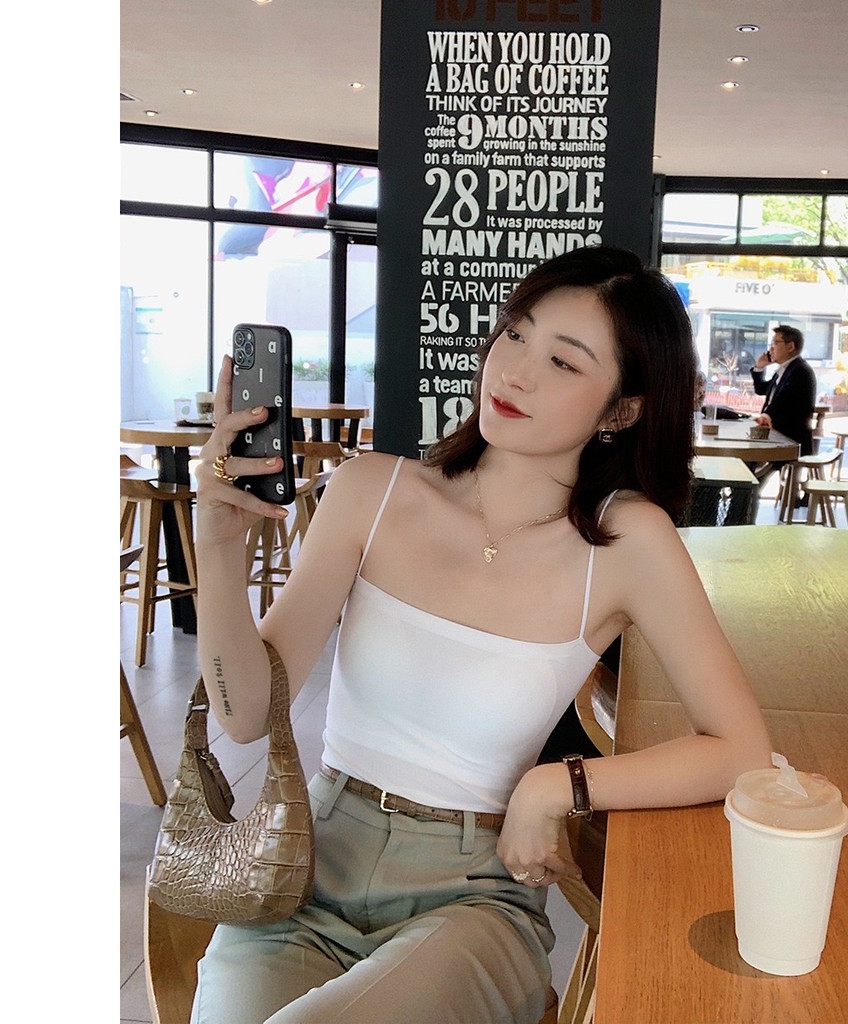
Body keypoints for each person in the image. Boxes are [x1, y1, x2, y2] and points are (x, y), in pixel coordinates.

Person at [190, 245, 772, 1024]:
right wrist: (218, 552)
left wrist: (560, 784)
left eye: (563, 361)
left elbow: (741, 751)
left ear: (621, 410)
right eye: (515, 334)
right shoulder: (371, 490)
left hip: (471, 899)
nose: (516, 372)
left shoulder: (627, 541)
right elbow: (244, 717)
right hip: (304, 866)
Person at [748, 324, 817, 488]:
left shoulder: (800, 371)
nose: (771, 348)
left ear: (790, 346)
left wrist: (766, 415)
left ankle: (747, 493)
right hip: (775, 433)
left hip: (789, 438)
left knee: (749, 462)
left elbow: (784, 398)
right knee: (747, 457)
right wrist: (759, 367)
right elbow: (761, 389)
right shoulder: (785, 369)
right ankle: (747, 493)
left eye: (775, 343)